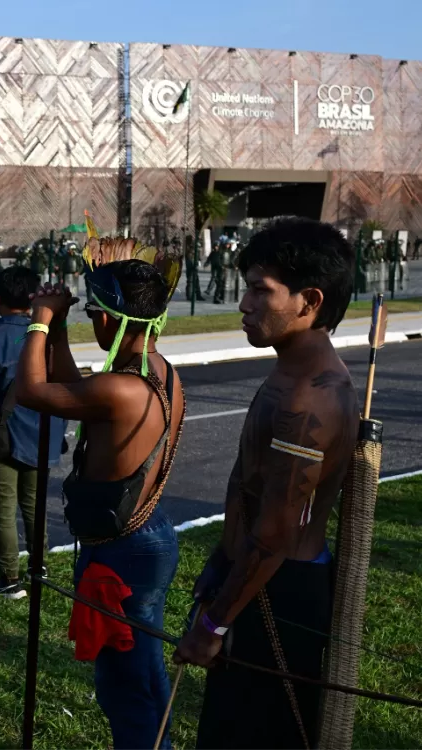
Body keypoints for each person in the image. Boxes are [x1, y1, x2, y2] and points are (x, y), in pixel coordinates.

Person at [175, 219, 359, 750]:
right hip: (250, 582)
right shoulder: (288, 373)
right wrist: (220, 562)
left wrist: (211, 628)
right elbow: (251, 490)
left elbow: (278, 531)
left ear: (310, 301)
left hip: (280, 594)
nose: (245, 305)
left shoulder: (313, 398)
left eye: (262, 291)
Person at [16, 259, 186, 750]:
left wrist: (40, 321)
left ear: (109, 320)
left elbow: (32, 391)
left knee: (122, 684)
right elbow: (77, 394)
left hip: (121, 551)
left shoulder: (123, 387)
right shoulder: (156, 373)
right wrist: (61, 337)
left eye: (92, 311)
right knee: (143, 666)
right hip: (145, 536)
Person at [0, 266, 67, 598]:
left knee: (4, 510)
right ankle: (40, 568)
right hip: (44, 433)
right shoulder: (49, 337)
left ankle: (10, 579)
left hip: (4, 439)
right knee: (35, 507)